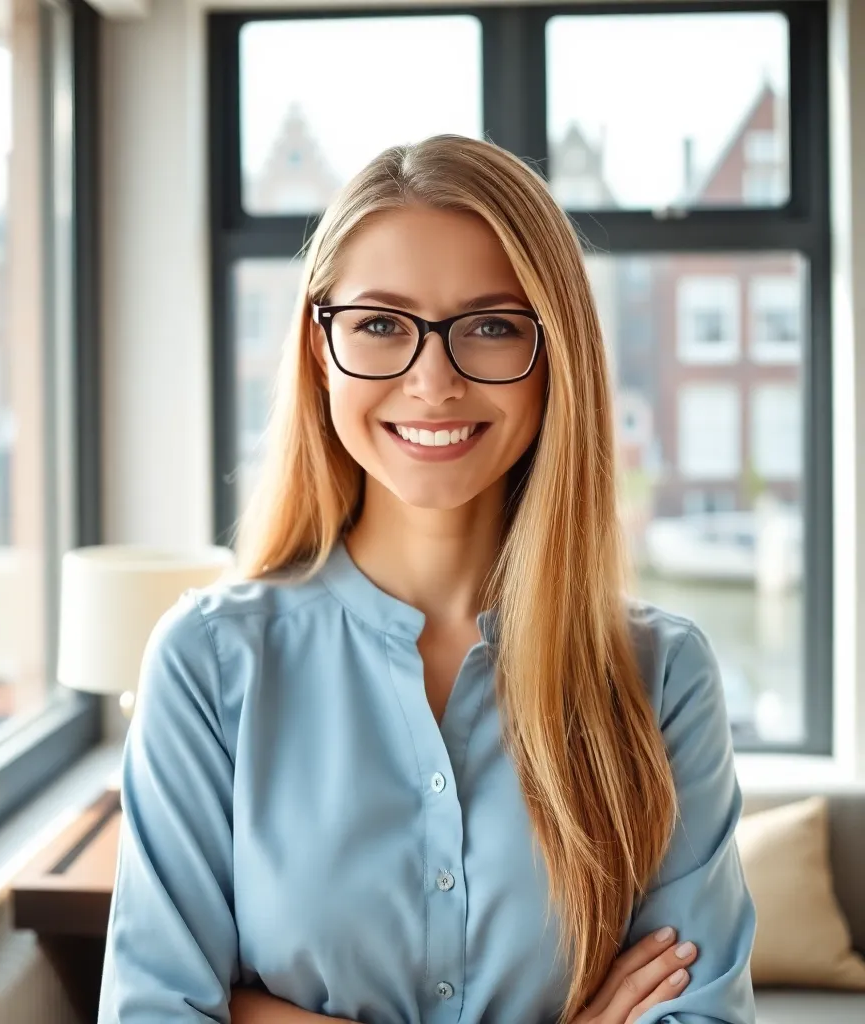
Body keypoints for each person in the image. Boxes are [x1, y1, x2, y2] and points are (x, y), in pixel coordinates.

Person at [98, 136, 756, 1024]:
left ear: (554, 351)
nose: (433, 381)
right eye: (379, 324)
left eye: (490, 326)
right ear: (318, 347)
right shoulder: (208, 665)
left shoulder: (661, 676)